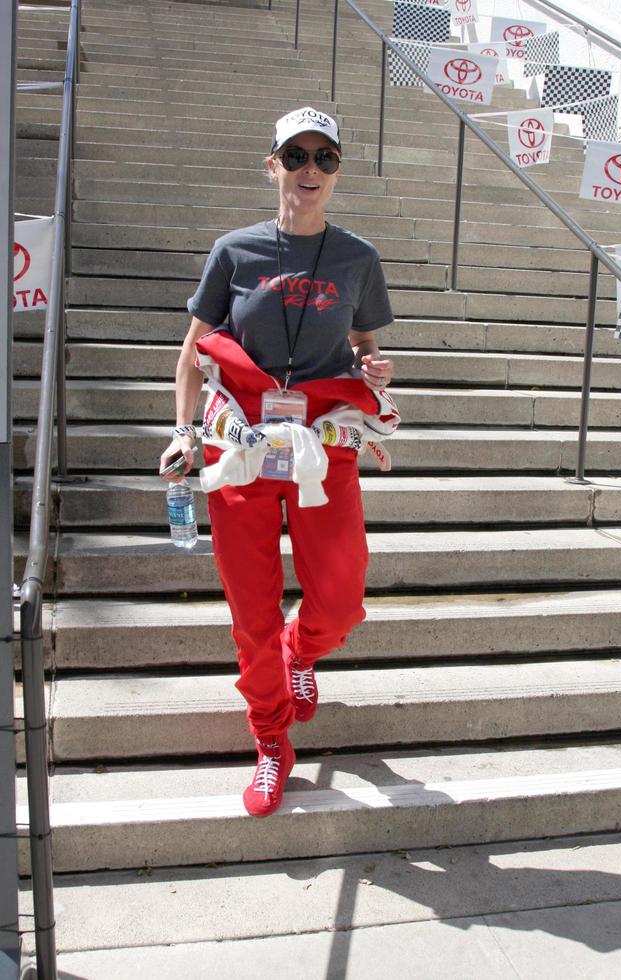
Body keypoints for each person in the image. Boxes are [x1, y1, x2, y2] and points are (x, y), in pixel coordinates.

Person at [159, 106, 395, 817]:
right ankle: (270, 740)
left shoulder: (357, 258)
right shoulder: (235, 252)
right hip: (241, 449)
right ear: (273, 166)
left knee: (342, 596)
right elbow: (192, 356)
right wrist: (181, 431)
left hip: (321, 446)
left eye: (325, 157)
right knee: (250, 612)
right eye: (296, 156)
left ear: (338, 170)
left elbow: (363, 347)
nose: (311, 170)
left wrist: (371, 366)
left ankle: (302, 653)